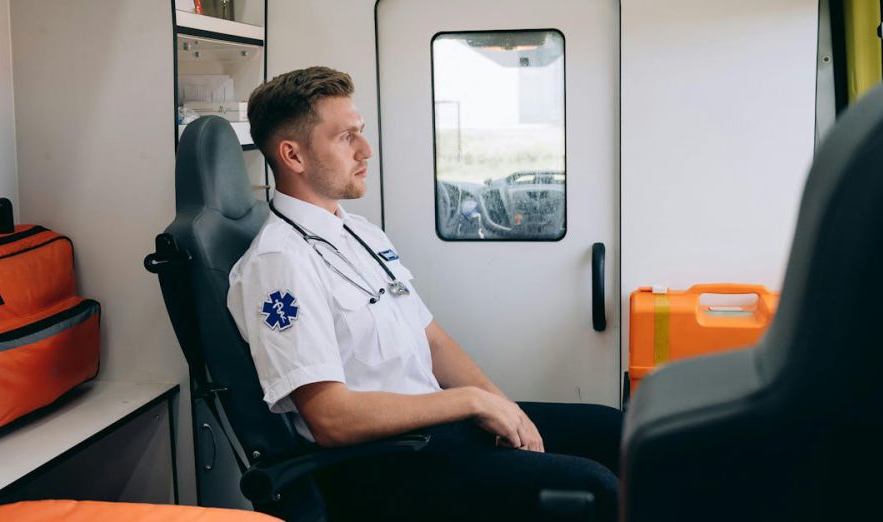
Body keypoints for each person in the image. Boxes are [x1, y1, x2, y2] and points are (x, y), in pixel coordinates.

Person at [227, 66, 621, 522]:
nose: (365, 150)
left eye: (361, 133)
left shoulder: (359, 233)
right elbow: (331, 418)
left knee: (614, 430)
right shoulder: (279, 264)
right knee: (593, 488)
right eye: (345, 138)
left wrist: (502, 406)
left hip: (432, 430)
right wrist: (472, 402)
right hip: (382, 466)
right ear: (292, 156)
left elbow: (432, 340)